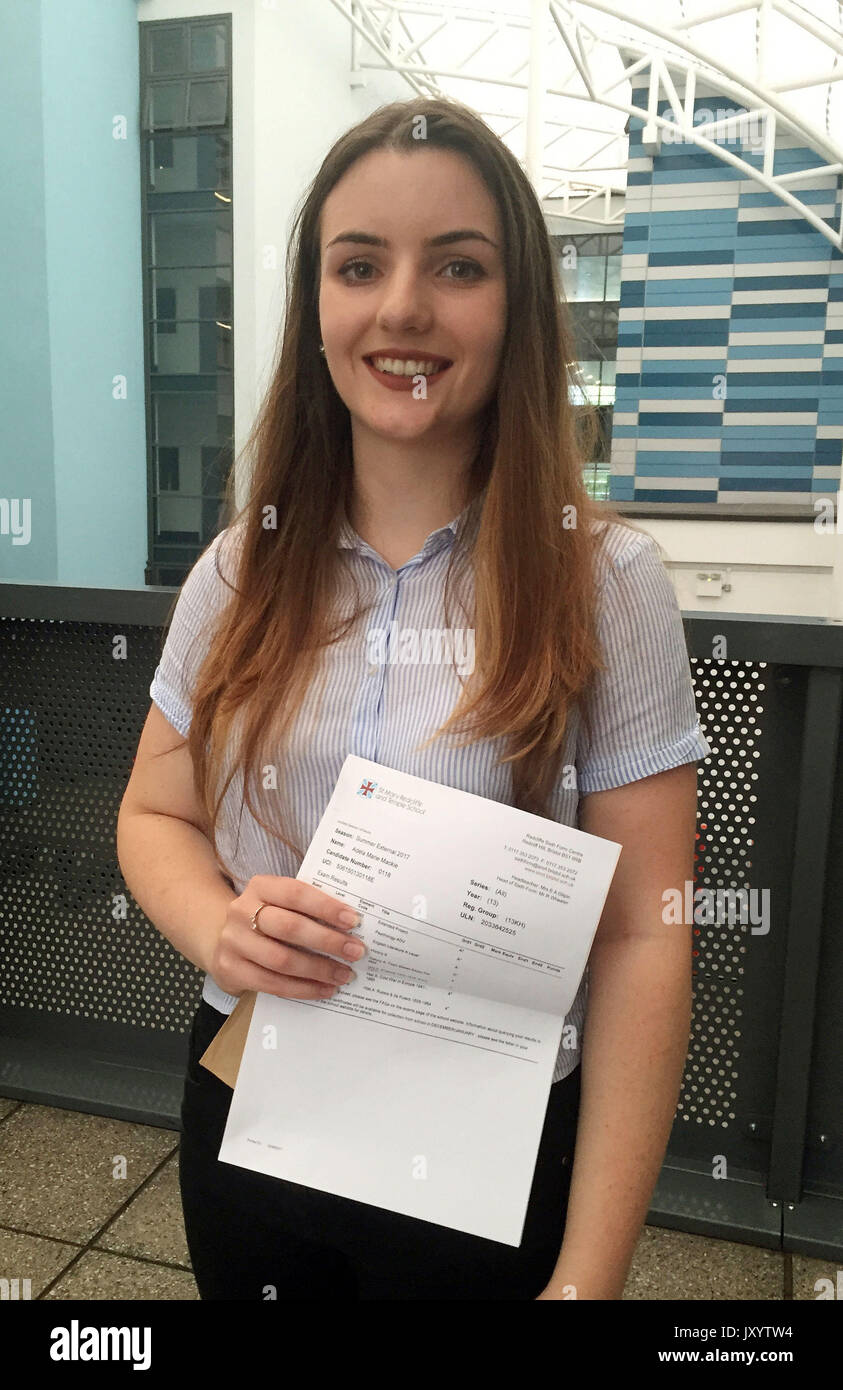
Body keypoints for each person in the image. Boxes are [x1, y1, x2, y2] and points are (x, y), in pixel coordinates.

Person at [117, 97, 711, 1301]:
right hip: (250, 1109)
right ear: (317, 308)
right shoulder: (238, 570)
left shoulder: (607, 581)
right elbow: (152, 814)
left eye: (457, 266)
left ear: (519, 306)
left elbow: (648, 934)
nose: (401, 308)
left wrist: (588, 1280)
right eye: (357, 265)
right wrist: (214, 927)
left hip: (490, 1159)